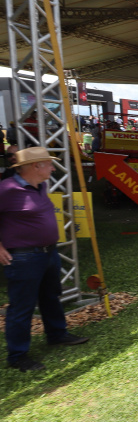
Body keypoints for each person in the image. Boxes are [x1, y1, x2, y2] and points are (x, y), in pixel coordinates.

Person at [0, 147, 89, 371]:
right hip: (23, 257)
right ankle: (17, 355)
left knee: (51, 296)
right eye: (48, 164)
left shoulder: (41, 185)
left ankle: (57, 334)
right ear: (34, 166)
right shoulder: (8, 188)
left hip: (48, 252)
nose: (52, 167)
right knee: (22, 306)